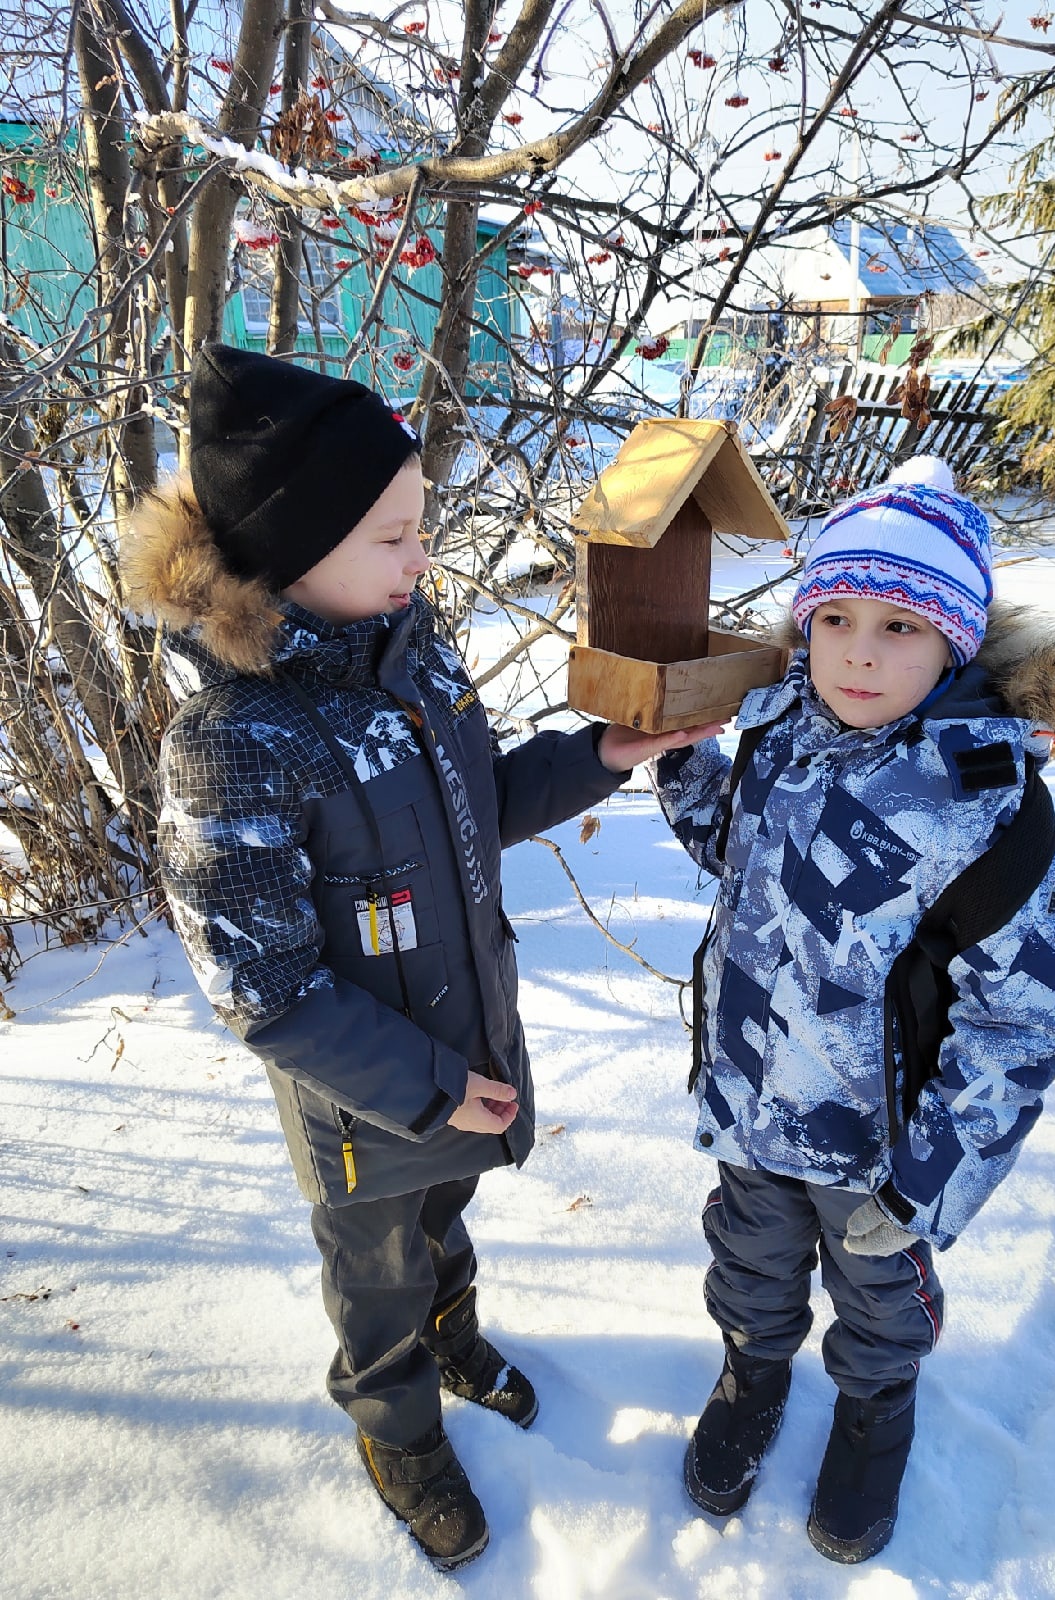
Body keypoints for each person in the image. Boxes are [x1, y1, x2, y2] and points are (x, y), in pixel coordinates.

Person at [121, 345, 719, 1573]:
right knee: (376, 1265)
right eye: (393, 537)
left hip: (467, 1031)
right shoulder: (236, 740)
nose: (421, 559)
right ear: (295, 551)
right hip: (364, 1098)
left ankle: (456, 1330)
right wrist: (430, 1086)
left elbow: (472, 804)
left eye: (420, 530)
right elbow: (264, 990)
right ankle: (394, 1420)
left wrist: (598, 757)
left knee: (447, 1212)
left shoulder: (412, 652)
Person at [649, 456, 1055, 1563]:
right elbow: (736, 854)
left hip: (884, 1152)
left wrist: (929, 1181)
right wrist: (683, 769)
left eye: (903, 626)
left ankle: (874, 1409)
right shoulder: (777, 731)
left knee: (878, 1298)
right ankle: (752, 1371)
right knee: (750, 1261)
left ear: (956, 643)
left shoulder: (988, 808)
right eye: (839, 616)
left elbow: (1021, 1021)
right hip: (751, 1101)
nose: (860, 649)